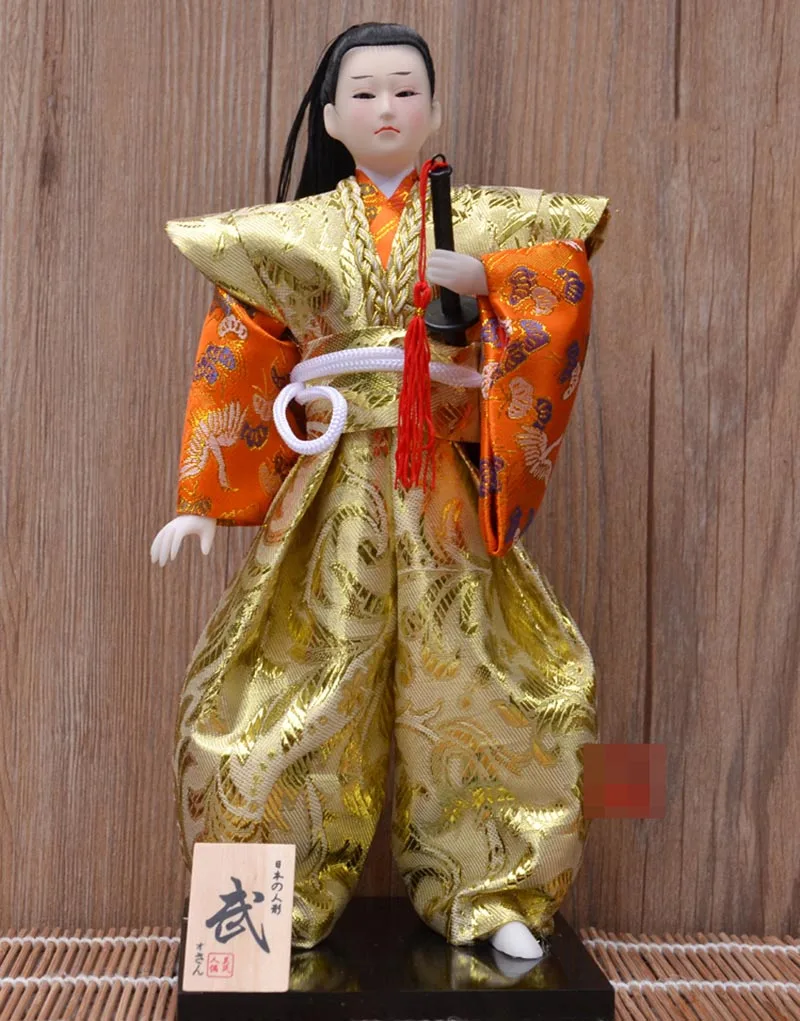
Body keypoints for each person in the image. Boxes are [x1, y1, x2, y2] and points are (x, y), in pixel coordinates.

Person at [152, 22, 609, 960]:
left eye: (405, 90)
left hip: (442, 486)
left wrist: (488, 278)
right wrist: (202, 497)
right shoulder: (297, 233)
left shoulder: (481, 219)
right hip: (334, 486)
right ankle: (266, 897)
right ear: (331, 117)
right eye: (364, 93)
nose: (387, 108)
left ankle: (494, 889)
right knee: (298, 670)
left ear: (435, 110)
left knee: (483, 674)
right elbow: (240, 351)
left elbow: (560, 279)